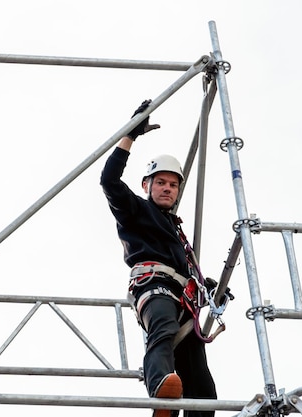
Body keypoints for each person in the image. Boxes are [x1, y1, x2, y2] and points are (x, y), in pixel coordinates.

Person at [100, 100, 216, 417]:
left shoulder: (175, 229)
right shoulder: (136, 210)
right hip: (154, 286)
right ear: (146, 185)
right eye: (161, 183)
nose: (167, 189)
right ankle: (161, 389)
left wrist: (203, 285)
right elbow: (109, 181)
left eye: (173, 185)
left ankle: (198, 410)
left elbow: (185, 266)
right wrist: (129, 136)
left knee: (202, 384)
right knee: (162, 330)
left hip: (184, 297)